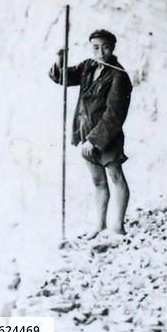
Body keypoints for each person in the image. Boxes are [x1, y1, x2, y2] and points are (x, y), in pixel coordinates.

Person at [49, 29, 132, 238]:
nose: (100, 52)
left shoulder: (118, 75)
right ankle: (100, 225)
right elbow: (62, 78)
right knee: (97, 181)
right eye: (96, 47)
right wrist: (60, 59)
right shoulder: (88, 66)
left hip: (106, 135)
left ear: (113, 48)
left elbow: (115, 113)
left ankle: (118, 227)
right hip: (85, 132)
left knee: (115, 176)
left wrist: (94, 141)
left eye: (105, 47)